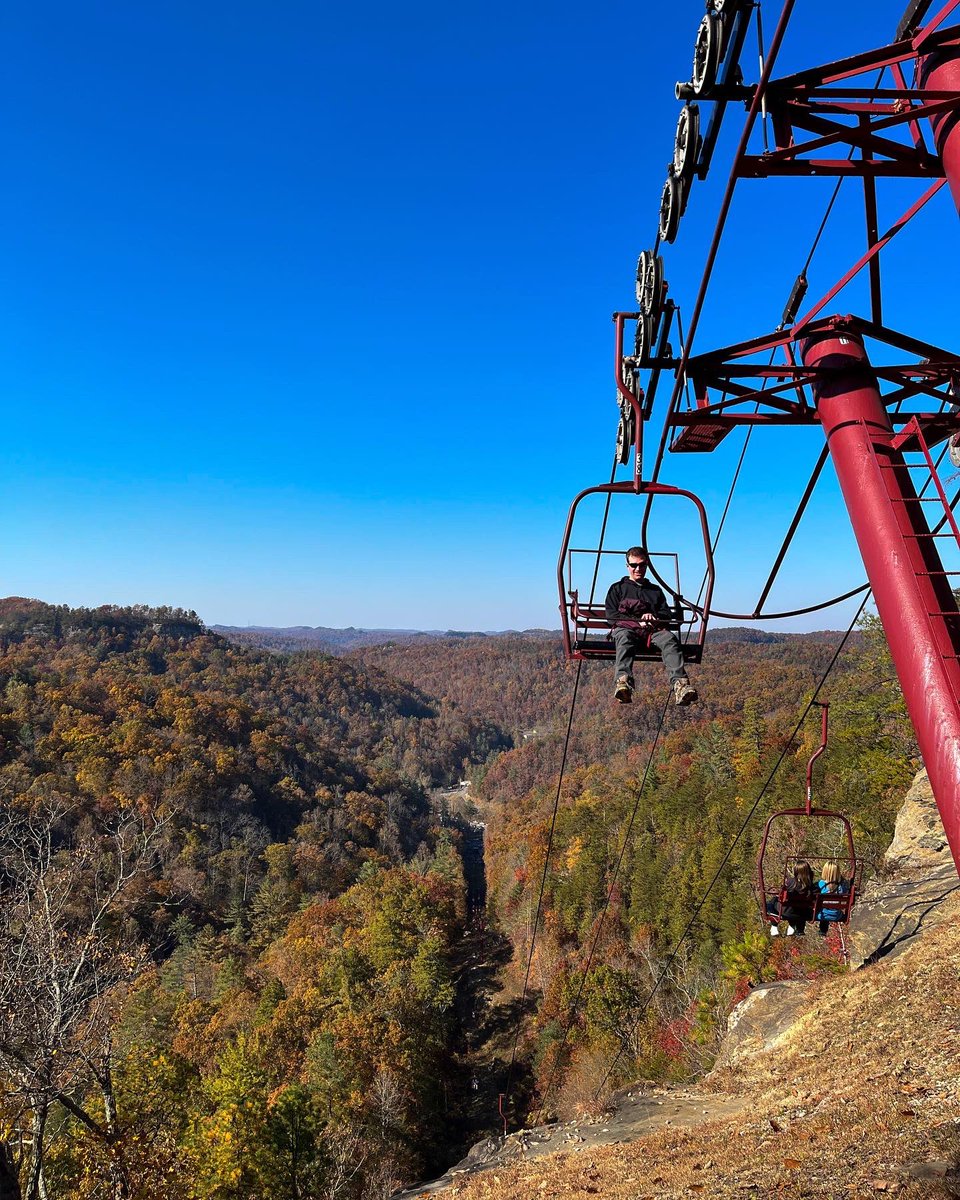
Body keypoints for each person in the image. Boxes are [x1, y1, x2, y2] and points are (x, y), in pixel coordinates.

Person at [604, 546, 697, 706]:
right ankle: (623, 682)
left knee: (669, 639)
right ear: (628, 566)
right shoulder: (617, 589)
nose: (638, 569)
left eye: (642, 565)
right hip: (627, 629)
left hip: (652, 631)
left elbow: (666, 614)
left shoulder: (655, 591)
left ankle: (680, 685)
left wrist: (654, 619)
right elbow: (612, 617)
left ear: (647, 565)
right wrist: (637, 621)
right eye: (634, 565)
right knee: (624, 637)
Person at [767, 860, 816, 935]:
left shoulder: (790, 882)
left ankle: (774, 926)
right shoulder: (812, 886)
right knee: (795, 907)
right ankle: (792, 926)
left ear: (796, 871)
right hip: (803, 913)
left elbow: (782, 894)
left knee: (771, 903)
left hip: (786, 912)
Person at [816, 861, 850, 935]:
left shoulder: (820, 884)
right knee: (830, 907)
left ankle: (823, 930)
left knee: (824, 909)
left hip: (821, 915)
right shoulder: (842, 886)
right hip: (837, 915)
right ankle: (823, 930)